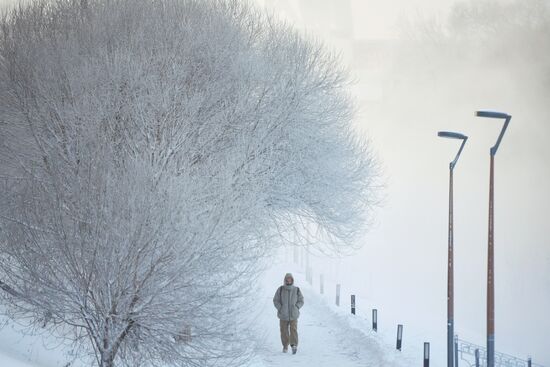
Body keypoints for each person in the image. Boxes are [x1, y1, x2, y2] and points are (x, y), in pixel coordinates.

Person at [272, 273, 304, 354]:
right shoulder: (281, 289)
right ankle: (285, 346)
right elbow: (276, 300)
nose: (288, 280)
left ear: (292, 280)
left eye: (290, 279)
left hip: (294, 315)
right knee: (284, 331)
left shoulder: (296, 289)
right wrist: (280, 308)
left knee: (293, 330)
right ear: (285, 280)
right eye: (287, 279)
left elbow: (301, 300)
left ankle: (294, 345)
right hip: (283, 315)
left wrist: (297, 307)